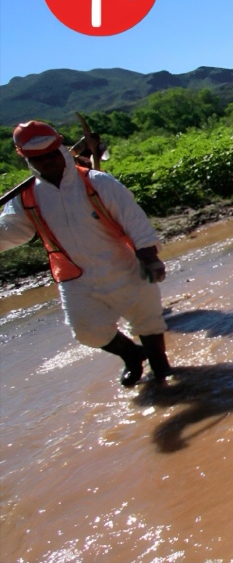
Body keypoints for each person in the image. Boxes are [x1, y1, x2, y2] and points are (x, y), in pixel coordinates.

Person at [0, 122, 173, 388]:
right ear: (27, 160)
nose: (47, 162)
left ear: (61, 148)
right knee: (87, 331)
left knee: (148, 322)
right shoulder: (25, 200)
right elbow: (13, 231)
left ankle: (162, 371)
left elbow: (133, 219)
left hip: (125, 266)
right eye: (39, 158)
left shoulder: (96, 182)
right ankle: (132, 355)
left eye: (51, 154)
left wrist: (149, 256)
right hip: (76, 278)